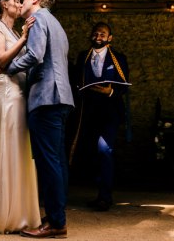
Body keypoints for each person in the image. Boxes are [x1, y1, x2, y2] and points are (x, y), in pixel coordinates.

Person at [4, 0, 74, 239]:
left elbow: (35, 54)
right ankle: (57, 216)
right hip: (61, 98)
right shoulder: (55, 23)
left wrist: (9, 68)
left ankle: (56, 224)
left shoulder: (38, 20)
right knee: (57, 162)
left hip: (46, 99)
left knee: (48, 163)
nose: (21, 3)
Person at [0, 0, 41, 234]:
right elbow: (1, 60)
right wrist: (26, 37)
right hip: (7, 95)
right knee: (9, 151)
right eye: (16, 1)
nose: (19, 5)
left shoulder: (14, 32)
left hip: (20, 94)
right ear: (4, 5)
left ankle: (22, 212)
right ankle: (7, 216)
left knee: (20, 152)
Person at [72, 22, 130, 211]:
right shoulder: (83, 57)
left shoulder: (119, 58)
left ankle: (105, 196)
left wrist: (110, 91)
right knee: (90, 152)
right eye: (95, 33)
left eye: (103, 34)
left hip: (110, 112)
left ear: (109, 38)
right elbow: (76, 80)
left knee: (105, 151)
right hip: (87, 113)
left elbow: (124, 84)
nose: (98, 36)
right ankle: (96, 193)